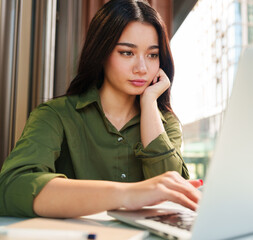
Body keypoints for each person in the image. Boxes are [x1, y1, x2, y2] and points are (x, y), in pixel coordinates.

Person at [0, 0, 201, 218]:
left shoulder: (165, 124)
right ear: (101, 52)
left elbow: (174, 196)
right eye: (127, 52)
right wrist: (128, 194)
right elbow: (12, 188)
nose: (142, 68)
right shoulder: (56, 115)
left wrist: (150, 102)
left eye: (152, 55)